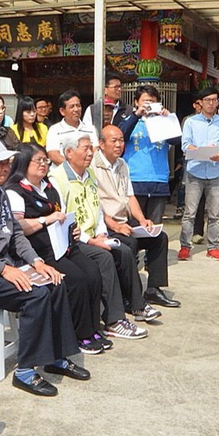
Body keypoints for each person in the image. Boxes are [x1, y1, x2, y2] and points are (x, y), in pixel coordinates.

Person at [0, 138, 88, 396]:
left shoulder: (0, 195)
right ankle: (25, 371)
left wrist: (36, 262)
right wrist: (3, 270)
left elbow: (15, 236)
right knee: (35, 294)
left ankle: (56, 356)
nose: (5, 167)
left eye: (6, 162)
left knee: (55, 282)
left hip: (1, 268)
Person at [5, 143, 110, 353]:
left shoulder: (49, 187)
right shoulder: (15, 191)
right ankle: (79, 333)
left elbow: (61, 215)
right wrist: (45, 219)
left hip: (62, 245)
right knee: (76, 280)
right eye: (39, 161)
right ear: (24, 162)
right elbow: (18, 228)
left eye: (46, 160)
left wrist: (73, 228)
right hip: (39, 251)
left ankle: (92, 327)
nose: (44, 165)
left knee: (92, 272)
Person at [52, 132, 158, 334]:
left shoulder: (88, 174)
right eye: (86, 148)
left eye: (90, 148)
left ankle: (137, 305)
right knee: (104, 257)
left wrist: (101, 233)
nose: (90, 153)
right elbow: (64, 220)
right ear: (69, 152)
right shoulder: (58, 178)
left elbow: (97, 208)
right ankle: (114, 320)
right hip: (74, 239)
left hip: (94, 234)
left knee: (124, 251)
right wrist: (91, 240)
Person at [94, 125, 180, 307]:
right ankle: (128, 296)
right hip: (105, 225)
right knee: (130, 243)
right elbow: (95, 206)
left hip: (124, 220)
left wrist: (142, 220)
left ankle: (153, 290)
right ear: (101, 144)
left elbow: (130, 196)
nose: (119, 145)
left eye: (121, 140)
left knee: (159, 238)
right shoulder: (93, 166)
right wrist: (115, 226)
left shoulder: (123, 164)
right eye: (114, 141)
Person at [178, 86, 219, 261]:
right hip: (195, 172)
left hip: (216, 172)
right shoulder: (191, 122)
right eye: (207, 100)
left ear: (218, 102)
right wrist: (202, 151)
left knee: (215, 214)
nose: (211, 103)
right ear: (200, 103)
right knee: (190, 213)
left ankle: (213, 247)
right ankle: (185, 246)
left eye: (214, 100)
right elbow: (185, 145)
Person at [124, 85, 173, 224]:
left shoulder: (163, 121)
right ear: (136, 102)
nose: (149, 105)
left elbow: (176, 140)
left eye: (152, 101)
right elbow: (122, 134)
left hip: (159, 179)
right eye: (145, 101)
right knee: (134, 224)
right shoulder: (130, 120)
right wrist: (136, 115)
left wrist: (167, 120)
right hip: (135, 179)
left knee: (155, 226)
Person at [46, 90, 97, 166]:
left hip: (88, 172)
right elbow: (53, 155)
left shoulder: (91, 129)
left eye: (78, 105)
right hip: (62, 174)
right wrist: (73, 168)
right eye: (72, 106)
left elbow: (95, 151)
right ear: (62, 111)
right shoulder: (54, 130)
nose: (76, 109)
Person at [86, 73, 138, 138]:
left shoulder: (129, 110)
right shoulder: (92, 109)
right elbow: (87, 132)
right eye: (116, 87)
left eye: (120, 87)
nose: (119, 90)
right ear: (105, 90)